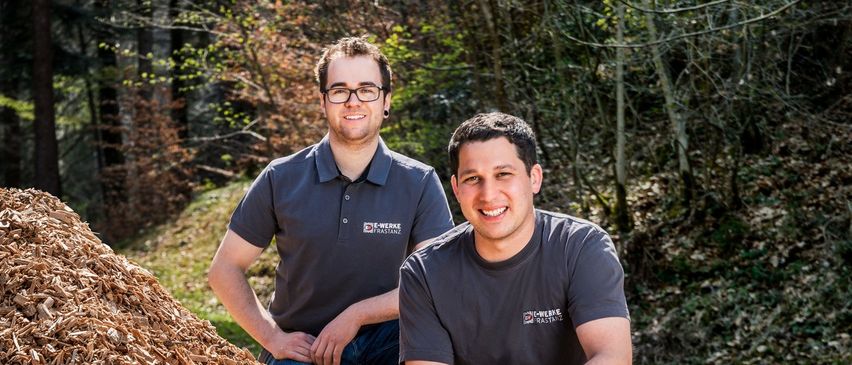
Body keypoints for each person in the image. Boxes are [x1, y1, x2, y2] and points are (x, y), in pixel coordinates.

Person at [208, 37, 454, 365]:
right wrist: (272, 337)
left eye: (367, 89)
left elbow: (433, 283)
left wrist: (357, 315)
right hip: (303, 347)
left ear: (386, 100)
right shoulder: (281, 178)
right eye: (339, 91)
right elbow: (225, 269)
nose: (353, 101)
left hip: (389, 341)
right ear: (323, 102)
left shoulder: (419, 182)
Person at [399, 112, 632, 364]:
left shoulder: (581, 246)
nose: (488, 195)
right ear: (456, 188)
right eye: (473, 178)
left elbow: (611, 356)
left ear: (534, 178)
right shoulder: (424, 272)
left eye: (503, 174)